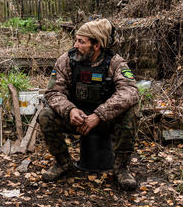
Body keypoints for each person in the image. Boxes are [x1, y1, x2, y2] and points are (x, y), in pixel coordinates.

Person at [39, 18, 139, 190]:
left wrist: (99, 115)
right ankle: (63, 163)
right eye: (76, 40)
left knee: (131, 113)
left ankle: (121, 169)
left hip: (105, 120)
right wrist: (70, 110)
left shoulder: (115, 63)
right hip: (75, 118)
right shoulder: (66, 60)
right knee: (46, 115)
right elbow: (53, 92)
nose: (75, 45)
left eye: (81, 41)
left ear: (97, 45)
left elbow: (130, 91)